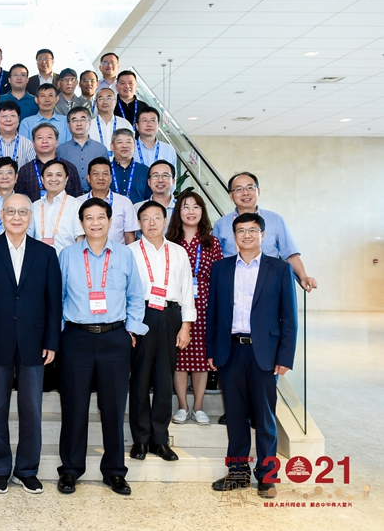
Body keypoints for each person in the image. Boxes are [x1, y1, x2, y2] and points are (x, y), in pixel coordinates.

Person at [56, 197, 147, 497]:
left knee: (113, 408)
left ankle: (115, 471)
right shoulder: (68, 255)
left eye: (101, 217)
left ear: (110, 221)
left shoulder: (124, 254)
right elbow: (58, 298)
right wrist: (60, 335)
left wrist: (131, 330)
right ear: (81, 223)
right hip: (76, 338)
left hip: (114, 338)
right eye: (89, 218)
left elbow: (136, 296)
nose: (95, 223)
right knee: (74, 407)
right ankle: (70, 470)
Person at [0, 193, 62, 494]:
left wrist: (52, 340)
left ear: (30, 216)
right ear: (2, 215)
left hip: (34, 342)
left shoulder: (45, 253)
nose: (16, 217)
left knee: (32, 410)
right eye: (10, 211)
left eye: (22, 212)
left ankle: (27, 469)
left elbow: (54, 302)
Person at [207, 212, 298, 497]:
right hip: (230, 350)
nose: (247, 235)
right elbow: (213, 313)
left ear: (263, 235)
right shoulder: (221, 268)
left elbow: (289, 318)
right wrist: (212, 350)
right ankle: (237, 472)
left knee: (265, 417)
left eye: (252, 230)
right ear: (234, 236)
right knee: (235, 416)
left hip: (265, 353)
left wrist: (285, 357)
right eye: (241, 231)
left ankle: (267, 476)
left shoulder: (280, 269)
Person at [127, 201, 195, 463]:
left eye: (157, 217)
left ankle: (160, 440)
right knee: (140, 379)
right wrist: (128, 326)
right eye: (146, 218)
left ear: (165, 220)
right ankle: (140, 439)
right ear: (139, 223)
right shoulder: (130, 252)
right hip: (141, 315)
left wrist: (186, 325)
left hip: (170, 315)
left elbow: (187, 290)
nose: (152, 222)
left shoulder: (178, 252)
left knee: (165, 380)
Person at [167, 190, 224, 425]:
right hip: (177, 304)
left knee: (201, 356)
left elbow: (219, 278)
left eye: (196, 207)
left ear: (202, 212)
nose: (191, 211)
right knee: (179, 357)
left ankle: (198, 406)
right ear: (178, 212)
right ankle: (182, 406)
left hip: (205, 305)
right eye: (186, 207)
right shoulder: (170, 242)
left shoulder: (213, 242)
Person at [212, 172, 318, 293]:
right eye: (239, 189)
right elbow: (214, 258)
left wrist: (303, 276)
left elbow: (290, 254)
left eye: (250, 187)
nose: (245, 193)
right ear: (231, 196)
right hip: (232, 284)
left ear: (258, 191)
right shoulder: (221, 224)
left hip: (269, 283)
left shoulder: (276, 220)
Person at [14, 123, 83, 203]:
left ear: (56, 142)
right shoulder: (25, 170)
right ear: (33, 144)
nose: (44, 141)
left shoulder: (70, 167)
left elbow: (77, 198)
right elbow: (19, 199)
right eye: (40, 138)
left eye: (49, 137)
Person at [28, 160, 83, 254]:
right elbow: (28, 237)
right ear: (42, 179)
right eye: (49, 175)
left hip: (65, 260)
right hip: (39, 259)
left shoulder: (76, 205)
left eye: (59, 175)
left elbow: (80, 239)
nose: (54, 179)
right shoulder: (34, 206)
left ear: (66, 179)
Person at [84, 157, 138, 245]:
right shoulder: (78, 203)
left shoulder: (125, 203)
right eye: (96, 174)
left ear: (111, 178)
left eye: (105, 174)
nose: (101, 178)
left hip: (118, 253)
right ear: (88, 178)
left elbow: (130, 238)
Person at [56, 106, 109, 190]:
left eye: (83, 119)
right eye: (74, 120)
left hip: (95, 194)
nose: (79, 124)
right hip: (69, 195)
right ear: (68, 125)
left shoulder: (101, 149)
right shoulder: (60, 150)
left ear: (90, 123)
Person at [0, 102, 36, 167]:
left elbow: (33, 168)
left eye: (12, 116)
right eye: (4, 116)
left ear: (18, 119)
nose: (8, 119)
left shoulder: (28, 144)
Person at [133, 160, 178, 230]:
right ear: (149, 182)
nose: (160, 180)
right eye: (155, 176)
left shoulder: (181, 207)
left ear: (173, 181)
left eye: (165, 176)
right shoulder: (137, 208)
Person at [109, 129, 150, 204]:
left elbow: (150, 198)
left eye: (128, 142)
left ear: (134, 146)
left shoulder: (145, 170)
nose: (124, 146)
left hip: (138, 211)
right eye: (120, 142)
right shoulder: (105, 169)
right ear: (112, 146)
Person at [93, 88, 133, 153]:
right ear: (96, 103)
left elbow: (131, 146)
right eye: (101, 99)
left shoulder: (125, 124)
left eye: (109, 98)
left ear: (115, 102)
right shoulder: (89, 125)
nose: (105, 102)